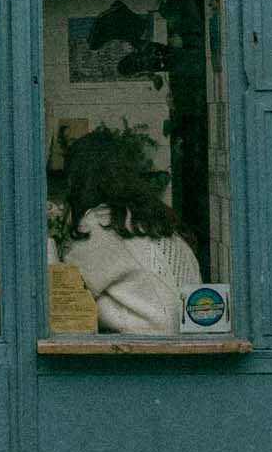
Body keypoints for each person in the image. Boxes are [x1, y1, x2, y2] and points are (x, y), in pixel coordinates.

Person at [54, 128, 206, 336]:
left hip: (149, 346)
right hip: (190, 342)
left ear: (81, 178)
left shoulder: (100, 222)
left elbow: (66, 293)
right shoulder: (148, 215)